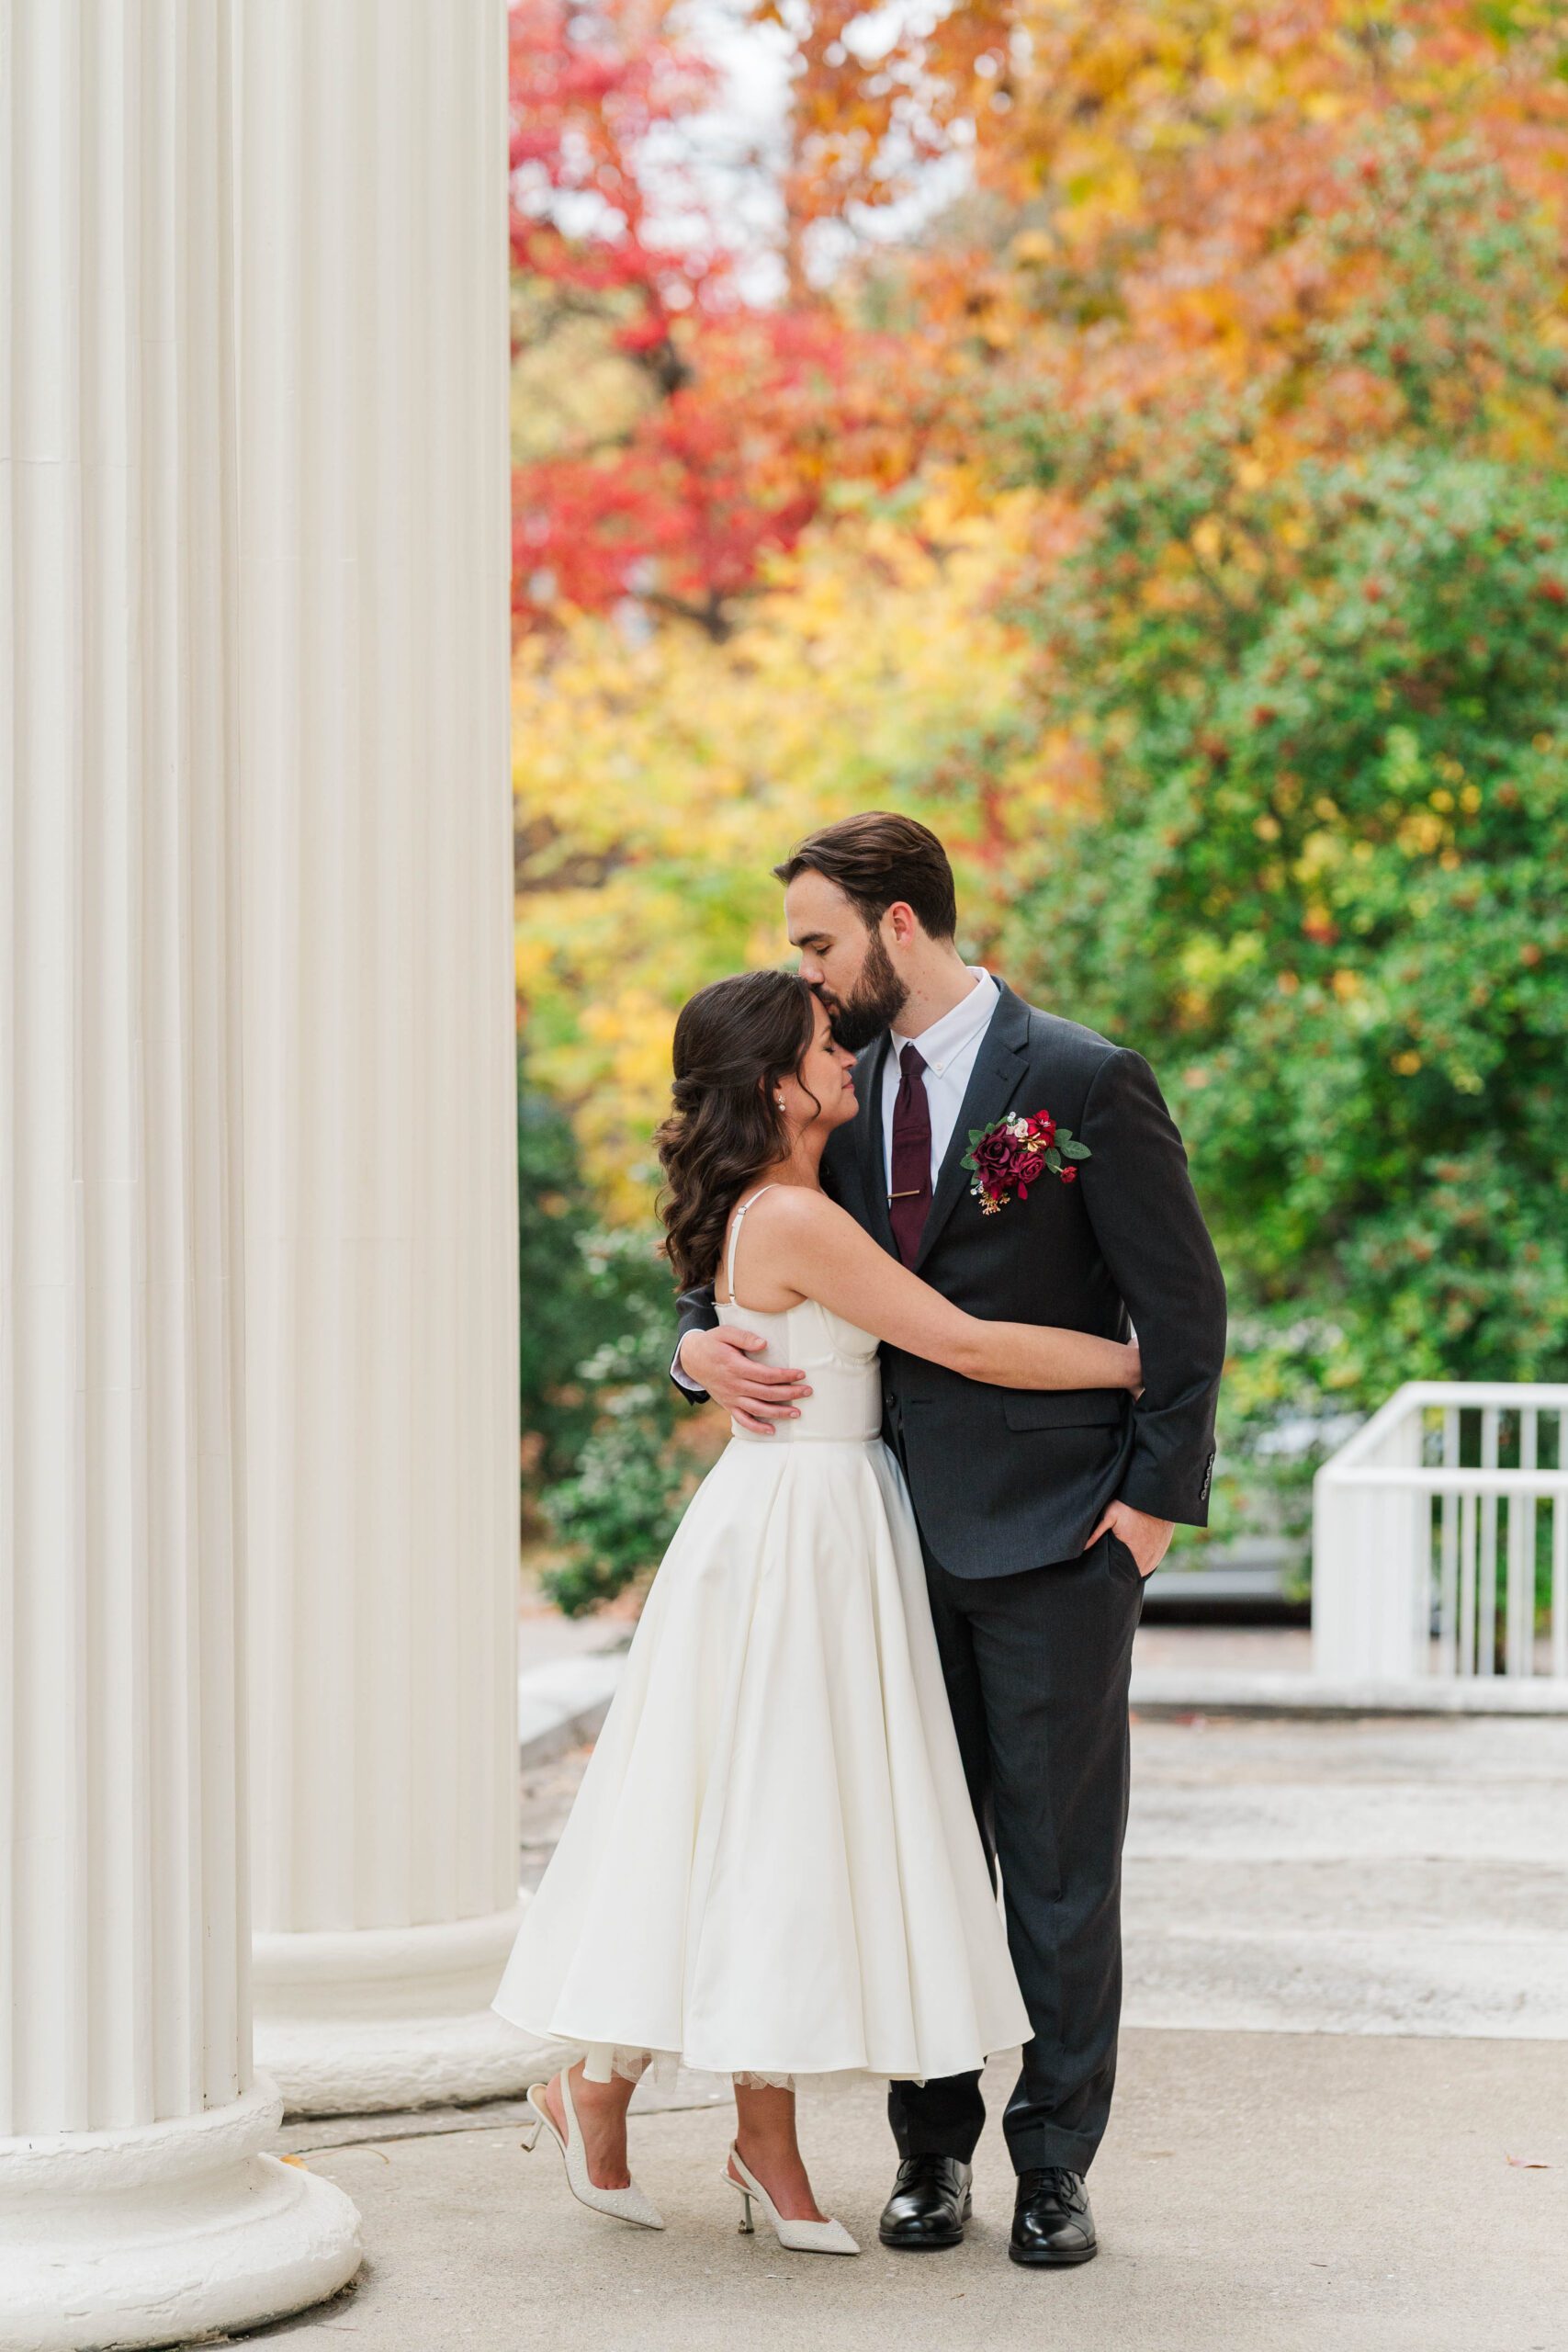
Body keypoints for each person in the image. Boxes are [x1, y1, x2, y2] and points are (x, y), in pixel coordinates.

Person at [493, 967, 1143, 2254]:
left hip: (828, 1518)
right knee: (766, 1818)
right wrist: (1144, 1361)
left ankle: (627, 2093)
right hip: (802, 1527)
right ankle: (714, 2121)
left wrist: (698, 1344)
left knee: (751, 1815)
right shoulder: (792, 1214)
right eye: (818, 1048)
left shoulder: (792, 1194)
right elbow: (960, 1340)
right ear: (772, 1087)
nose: (843, 1052)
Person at [674, 812, 1227, 2268]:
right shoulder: (819, 1095)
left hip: (1059, 1542)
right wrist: (696, 1356)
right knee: (916, 1854)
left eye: (818, 941)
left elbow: (1182, 1308)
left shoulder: (1086, 1078)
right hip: (869, 1546)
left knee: (1055, 1870)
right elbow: (726, 1241)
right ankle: (932, 2158)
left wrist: (1152, 1514)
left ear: (898, 928)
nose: (803, 969)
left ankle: (1055, 2164)